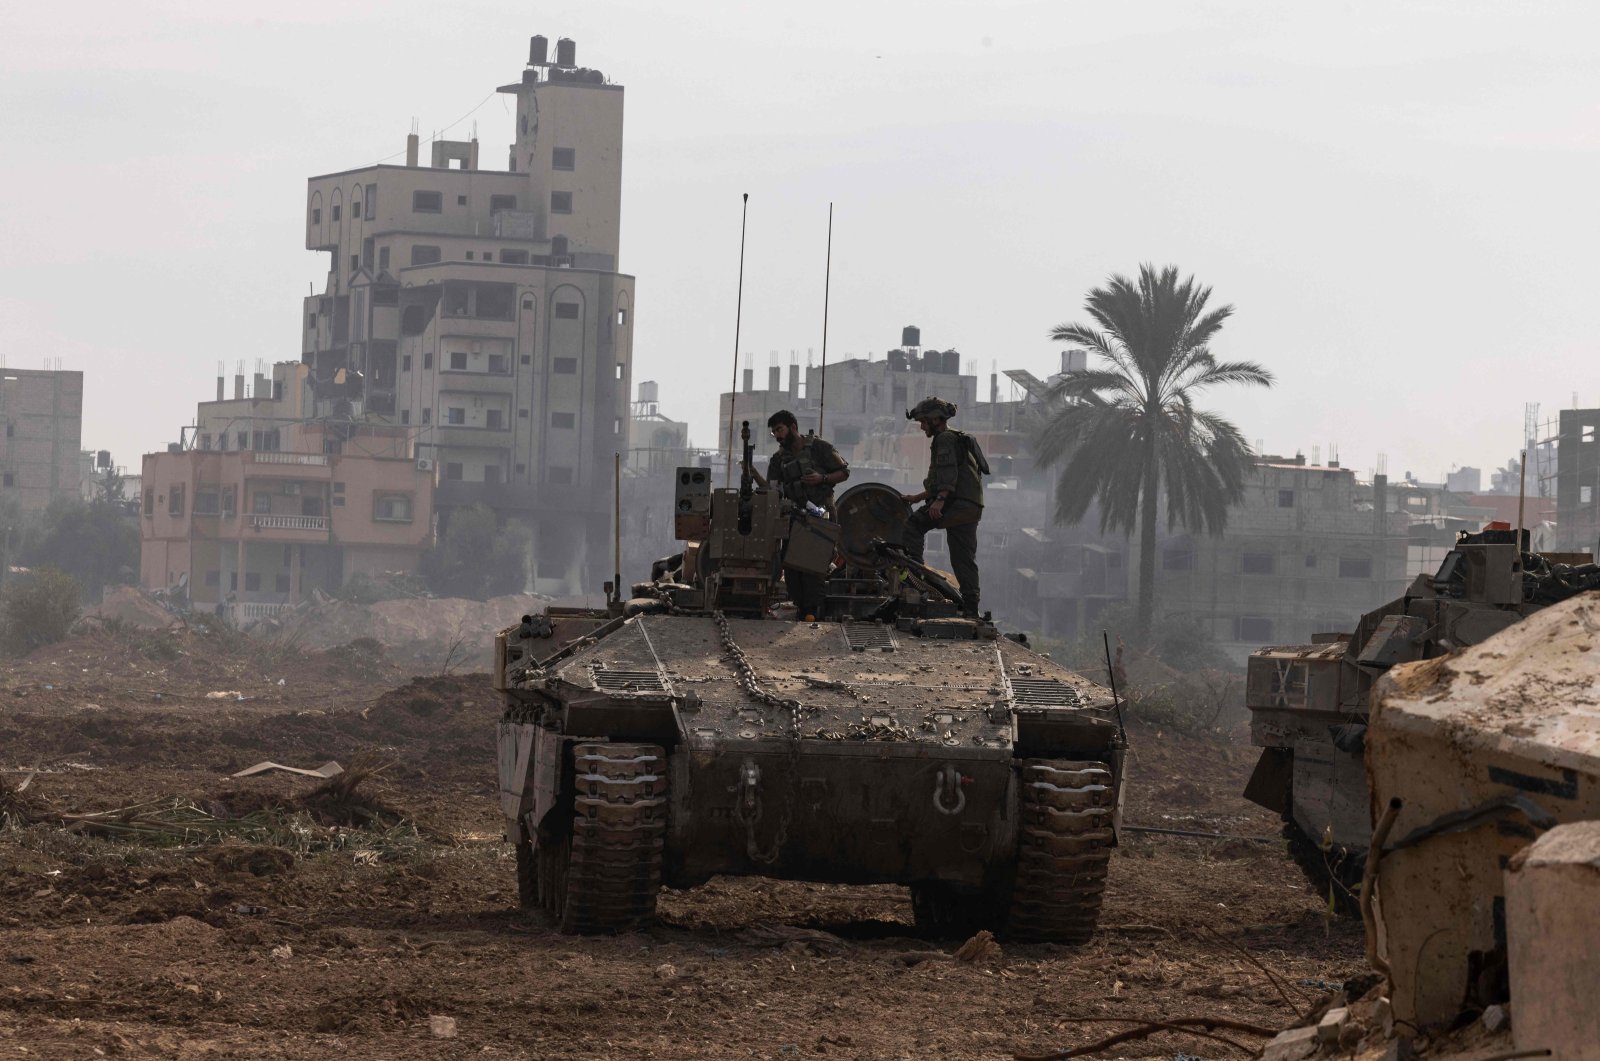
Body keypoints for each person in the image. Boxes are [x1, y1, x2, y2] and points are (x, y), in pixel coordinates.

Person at [900, 396, 985, 616]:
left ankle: (917, 583)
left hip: (955, 503)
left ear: (936, 419)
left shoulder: (944, 438)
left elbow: (948, 474)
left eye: (923, 421)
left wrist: (939, 500)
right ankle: (971, 609)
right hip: (970, 506)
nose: (921, 426)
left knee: (913, 525)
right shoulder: (956, 438)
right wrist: (918, 497)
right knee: (963, 559)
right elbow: (944, 479)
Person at [762, 410, 849, 618]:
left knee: (814, 566)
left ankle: (813, 612)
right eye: (774, 432)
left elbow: (844, 472)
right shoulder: (778, 460)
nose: (777, 435)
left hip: (820, 516)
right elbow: (772, 489)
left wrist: (823, 478)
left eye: (780, 429)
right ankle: (801, 609)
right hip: (794, 517)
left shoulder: (820, 448)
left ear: (793, 427)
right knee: (792, 567)